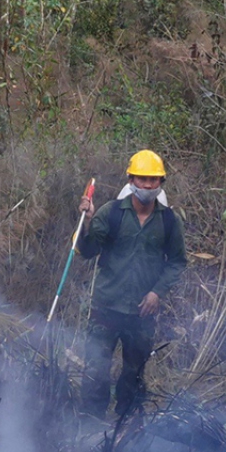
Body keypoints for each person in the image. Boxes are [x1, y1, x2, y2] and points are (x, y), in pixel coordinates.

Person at [75, 150, 187, 417]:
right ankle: (90, 427)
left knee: (134, 373)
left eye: (154, 180)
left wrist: (157, 292)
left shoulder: (169, 221)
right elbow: (88, 251)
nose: (148, 185)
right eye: (142, 179)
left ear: (161, 183)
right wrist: (87, 221)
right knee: (95, 369)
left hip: (142, 313)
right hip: (106, 308)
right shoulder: (110, 213)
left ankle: (124, 429)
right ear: (131, 180)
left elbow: (177, 262)